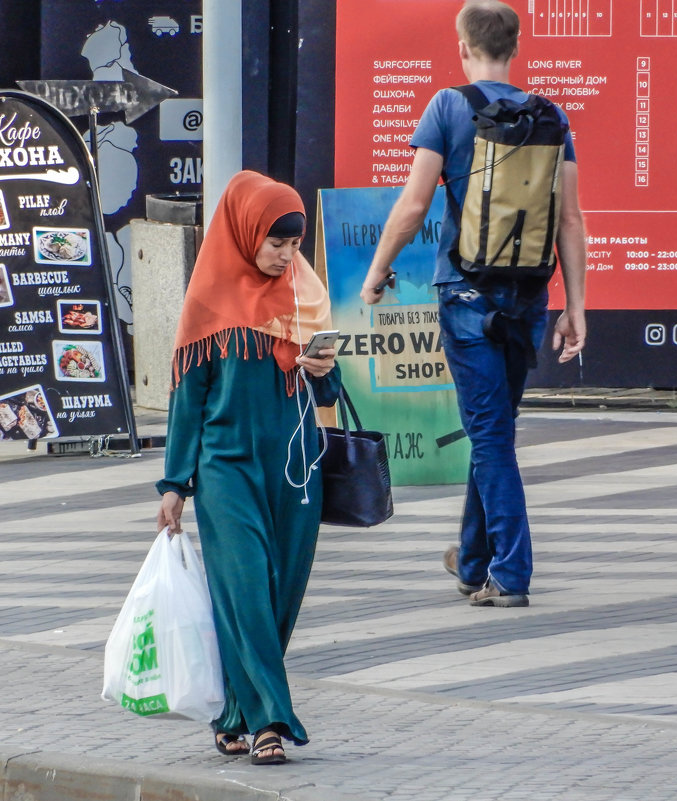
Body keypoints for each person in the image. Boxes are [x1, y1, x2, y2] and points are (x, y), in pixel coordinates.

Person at [360, 0, 586, 607]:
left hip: (464, 296)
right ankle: (472, 559)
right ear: (515, 48)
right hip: (528, 298)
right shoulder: (551, 115)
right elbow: (569, 219)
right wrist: (577, 306)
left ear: (463, 47)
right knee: (493, 428)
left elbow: (412, 206)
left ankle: (510, 574)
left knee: (489, 439)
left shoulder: (448, 106)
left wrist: (377, 272)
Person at [156, 170, 341, 764]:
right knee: (243, 589)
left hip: (294, 468)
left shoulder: (303, 293)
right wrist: (174, 484)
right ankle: (270, 721)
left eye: (294, 245)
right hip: (226, 468)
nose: (286, 256)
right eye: (276, 243)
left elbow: (329, 384)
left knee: (277, 593)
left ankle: (235, 711)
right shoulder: (209, 298)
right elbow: (189, 396)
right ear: (246, 232)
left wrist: (322, 369)